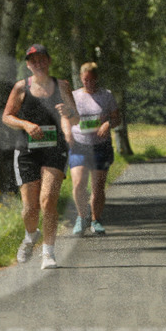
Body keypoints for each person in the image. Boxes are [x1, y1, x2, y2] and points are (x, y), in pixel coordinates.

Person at [2, 43, 77, 269]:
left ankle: (48, 252)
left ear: (49, 61)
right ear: (28, 64)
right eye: (33, 60)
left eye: (42, 58)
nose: (39, 63)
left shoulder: (62, 85)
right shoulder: (21, 88)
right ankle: (30, 236)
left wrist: (69, 113)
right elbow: (7, 117)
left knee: (48, 201)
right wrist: (25, 125)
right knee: (30, 208)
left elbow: (76, 119)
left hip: (55, 148)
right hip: (27, 151)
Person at [68, 62, 120, 236]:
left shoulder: (106, 96)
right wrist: (67, 134)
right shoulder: (74, 96)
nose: (88, 83)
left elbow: (117, 118)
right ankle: (82, 217)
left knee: (97, 187)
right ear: (80, 79)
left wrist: (108, 123)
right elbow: (65, 118)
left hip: (100, 146)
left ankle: (95, 220)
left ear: (96, 78)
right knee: (78, 184)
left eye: (91, 80)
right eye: (84, 80)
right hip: (79, 145)